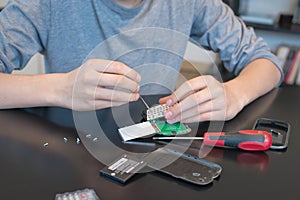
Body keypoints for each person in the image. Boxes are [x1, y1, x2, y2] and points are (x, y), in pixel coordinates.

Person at [0, 0, 282, 124]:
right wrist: (61, 88)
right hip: (68, 150)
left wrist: (234, 94)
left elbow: (264, 61)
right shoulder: (44, 4)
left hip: (153, 157)